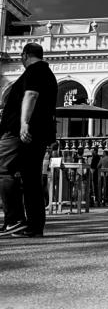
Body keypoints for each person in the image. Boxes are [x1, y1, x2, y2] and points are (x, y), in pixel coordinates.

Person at [0, 42, 58, 238]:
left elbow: (31, 94)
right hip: (38, 133)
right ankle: (33, 226)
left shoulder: (35, 71)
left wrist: (24, 122)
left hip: (20, 132)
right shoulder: (47, 73)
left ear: (24, 55)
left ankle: (14, 219)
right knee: (31, 178)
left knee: (3, 169)